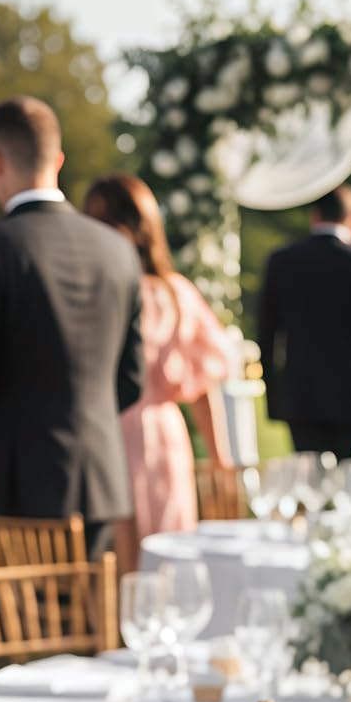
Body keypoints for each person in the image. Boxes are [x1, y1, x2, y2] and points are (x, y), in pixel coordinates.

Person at [0, 96, 146, 574]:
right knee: (88, 632)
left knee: (14, 639)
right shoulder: (118, 250)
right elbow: (131, 380)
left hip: (12, 490)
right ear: (57, 161)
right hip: (97, 479)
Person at [83, 173, 234, 539]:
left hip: (121, 431)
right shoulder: (174, 290)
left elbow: (202, 386)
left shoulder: (116, 290)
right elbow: (202, 386)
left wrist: (220, 463)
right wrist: (219, 459)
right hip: (141, 432)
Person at [256, 185, 351, 459]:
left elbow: (267, 336)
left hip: (301, 396)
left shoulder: (282, 262)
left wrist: (276, 400)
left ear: (314, 216)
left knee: (310, 486)